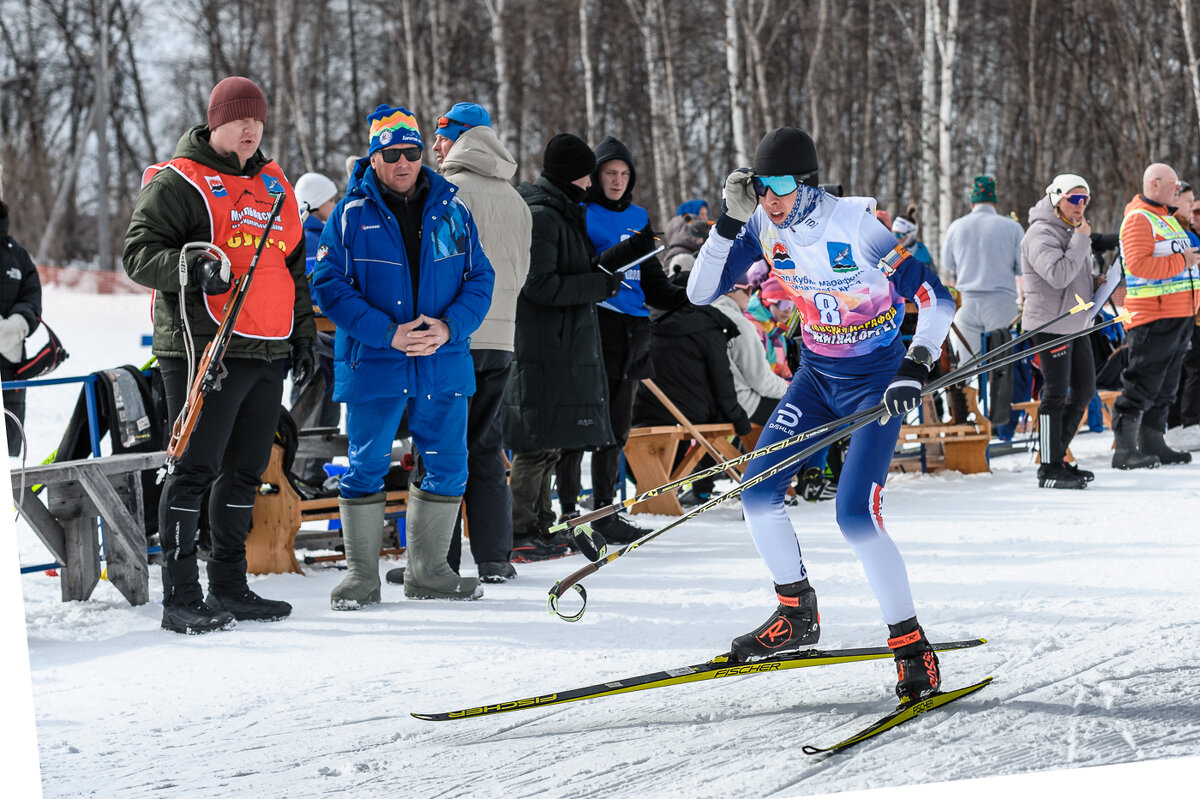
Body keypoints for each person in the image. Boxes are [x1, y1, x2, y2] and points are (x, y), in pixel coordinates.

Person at [687, 126, 957, 702]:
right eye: (760, 187)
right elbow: (699, 290)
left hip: (875, 384)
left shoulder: (858, 225)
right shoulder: (760, 224)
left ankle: (911, 646)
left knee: (855, 516)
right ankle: (795, 614)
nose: (770, 198)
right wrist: (729, 224)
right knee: (757, 492)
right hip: (815, 380)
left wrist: (917, 362)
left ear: (806, 183)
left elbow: (938, 298)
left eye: (781, 186)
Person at [123, 76, 317, 634]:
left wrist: (301, 335)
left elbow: (292, 267)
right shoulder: (180, 181)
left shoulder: (274, 184)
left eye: (258, 119)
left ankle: (230, 584)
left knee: (246, 472)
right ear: (216, 122)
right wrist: (192, 265)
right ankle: (181, 596)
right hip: (203, 347)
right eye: (240, 118)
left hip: (267, 350)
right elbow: (138, 253)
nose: (251, 127)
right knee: (194, 468)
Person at [311, 104, 495, 606]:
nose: (403, 162)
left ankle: (430, 572)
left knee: (448, 463)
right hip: (375, 360)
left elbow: (481, 278)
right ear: (373, 159)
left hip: (442, 357)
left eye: (412, 152)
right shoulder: (350, 215)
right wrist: (387, 333)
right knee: (365, 464)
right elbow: (327, 285)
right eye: (390, 154)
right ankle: (361, 578)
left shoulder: (454, 211)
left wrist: (449, 326)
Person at [555, 135, 688, 544]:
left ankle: (606, 513)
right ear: (594, 176)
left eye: (624, 174)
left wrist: (691, 288)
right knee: (579, 425)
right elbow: (577, 271)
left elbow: (654, 286)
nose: (616, 180)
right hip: (594, 327)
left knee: (616, 429)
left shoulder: (640, 215)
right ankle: (569, 512)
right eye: (609, 172)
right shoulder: (580, 211)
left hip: (633, 331)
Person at [426, 101, 531, 583]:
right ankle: (493, 557)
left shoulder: (449, 193)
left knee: (443, 446)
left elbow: (440, 267)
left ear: (462, 138)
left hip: (456, 335)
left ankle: (437, 562)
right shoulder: (515, 198)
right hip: (503, 336)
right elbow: (522, 272)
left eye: (442, 136)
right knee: (486, 447)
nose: (434, 146)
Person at [503, 133, 620, 561]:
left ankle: (540, 522)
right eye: (588, 174)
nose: (592, 183)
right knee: (534, 445)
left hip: (556, 344)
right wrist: (598, 284)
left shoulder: (559, 211)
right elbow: (539, 284)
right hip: (541, 346)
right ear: (574, 175)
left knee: (549, 442)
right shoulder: (544, 215)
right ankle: (519, 530)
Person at [1110, 162, 1200, 469]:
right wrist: (1183, 261)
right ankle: (1124, 449)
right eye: (1173, 184)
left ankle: (1153, 441)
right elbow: (1138, 266)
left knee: (1166, 385)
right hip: (1153, 316)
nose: (1178, 189)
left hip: (1179, 315)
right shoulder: (1139, 219)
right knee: (1142, 381)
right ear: (1155, 184)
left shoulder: (1168, 219)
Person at [1020, 174, 1100, 489]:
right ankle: (1049, 467)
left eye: (1085, 199)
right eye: (1074, 199)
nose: (1080, 206)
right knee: (1054, 393)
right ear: (1057, 198)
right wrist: (1082, 239)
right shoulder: (1040, 233)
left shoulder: (1070, 230)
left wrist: (1096, 282)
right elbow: (1057, 276)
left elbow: (1073, 276)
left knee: (1084, 392)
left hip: (1075, 323)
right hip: (1050, 324)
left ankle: (1056, 457)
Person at [941, 175, 1025, 437]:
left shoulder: (957, 226)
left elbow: (948, 264)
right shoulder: (1010, 227)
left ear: (972, 201)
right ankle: (1002, 426)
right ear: (995, 200)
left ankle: (965, 420)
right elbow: (1021, 266)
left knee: (965, 368)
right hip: (1000, 302)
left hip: (966, 301)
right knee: (1002, 367)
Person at [290, 172, 342, 487]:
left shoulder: (320, 235)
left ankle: (310, 476)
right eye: (331, 200)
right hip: (316, 343)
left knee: (326, 416)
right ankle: (299, 476)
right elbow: (313, 285)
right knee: (309, 413)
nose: (335, 205)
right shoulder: (311, 239)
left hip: (325, 345)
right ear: (318, 203)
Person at [0, 186, 43, 458]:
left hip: (11, 365)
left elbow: (33, 301)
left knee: (9, 453)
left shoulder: (18, 255)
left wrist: (16, 324)